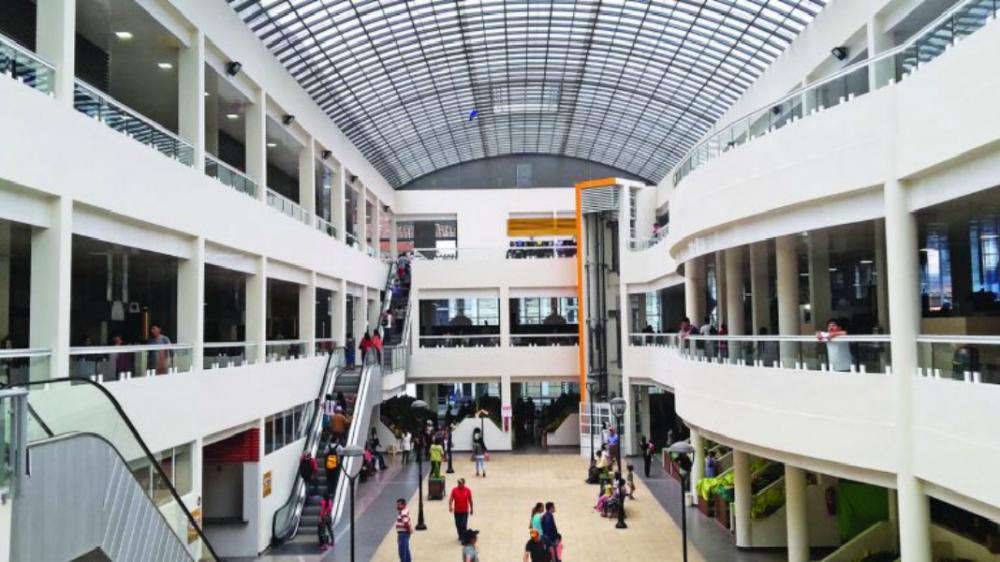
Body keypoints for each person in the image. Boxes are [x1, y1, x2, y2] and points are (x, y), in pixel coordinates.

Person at [395, 498, 413, 562]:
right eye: (397, 504)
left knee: (402, 552)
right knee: (406, 550)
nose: (397, 506)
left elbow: (405, 522)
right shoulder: (403, 511)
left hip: (403, 534)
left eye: (399, 505)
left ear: (404, 505)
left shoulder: (403, 512)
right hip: (404, 533)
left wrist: (409, 529)